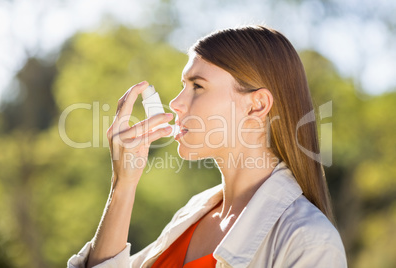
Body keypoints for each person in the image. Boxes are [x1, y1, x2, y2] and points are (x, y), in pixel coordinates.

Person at [68, 25, 347, 268]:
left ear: (256, 105)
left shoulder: (308, 241)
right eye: (183, 85)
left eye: (197, 86)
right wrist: (122, 185)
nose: (175, 103)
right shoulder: (190, 216)